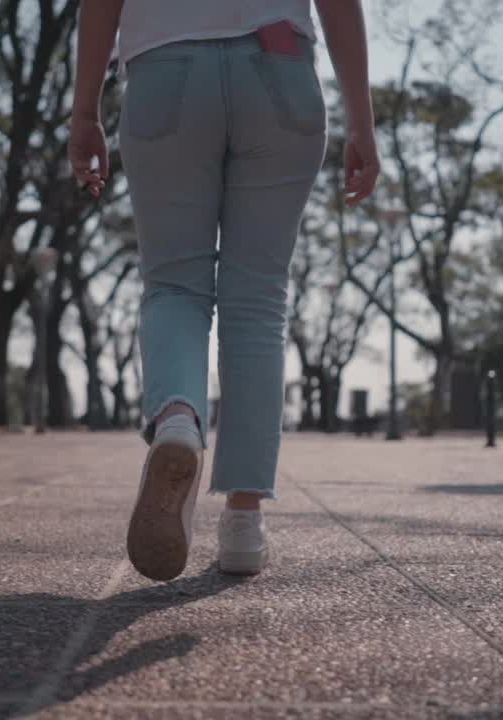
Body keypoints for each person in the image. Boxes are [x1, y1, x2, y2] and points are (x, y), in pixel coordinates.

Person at [69, 0, 379, 581]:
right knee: (258, 300)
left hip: (164, 73)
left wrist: (85, 110)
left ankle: (180, 420)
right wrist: (362, 122)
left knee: (174, 285)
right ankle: (243, 523)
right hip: (280, 69)